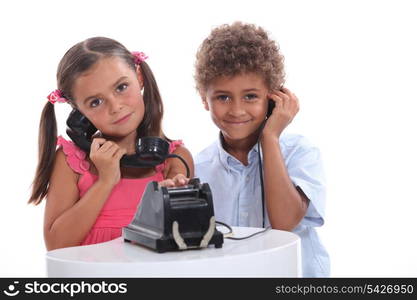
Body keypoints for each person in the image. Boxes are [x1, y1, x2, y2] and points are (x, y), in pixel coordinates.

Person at [29, 37, 193, 251]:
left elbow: (180, 239)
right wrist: (105, 181)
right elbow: (57, 245)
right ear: (79, 114)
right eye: (95, 102)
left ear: (139, 77)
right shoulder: (72, 163)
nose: (115, 106)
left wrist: (170, 199)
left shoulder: (173, 159)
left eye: (121, 87)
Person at [193, 22, 329, 277]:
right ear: (204, 98)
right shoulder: (198, 168)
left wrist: (270, 137)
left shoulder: (300, 153)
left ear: (273, 97)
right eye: (223, 97)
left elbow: (284, 222)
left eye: (250, 97)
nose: (236, 110)